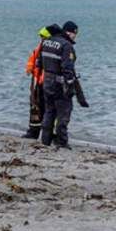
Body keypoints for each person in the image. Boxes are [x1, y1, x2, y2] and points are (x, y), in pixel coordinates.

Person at [37, 20, 81, 149]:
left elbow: (39, 62)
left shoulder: (47, 42)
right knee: (64, 112)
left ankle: (45, 140)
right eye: (74, 34)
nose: (74, 36)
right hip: (60, 83)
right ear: (68, 32)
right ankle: (61, 141)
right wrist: (70, 83)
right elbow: (67, 67)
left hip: (47, 81)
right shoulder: (66, 45)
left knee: (49, 110)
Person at [24, 24, 61, 139]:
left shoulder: (51, 47)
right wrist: (30, 68)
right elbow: (33, 59)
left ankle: (50, 134)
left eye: (44, 37)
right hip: (38, 81)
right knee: (36, 107)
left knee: (49, 109)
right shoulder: (41, 46)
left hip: (47, 82)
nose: (42, 39)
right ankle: (33, 132)